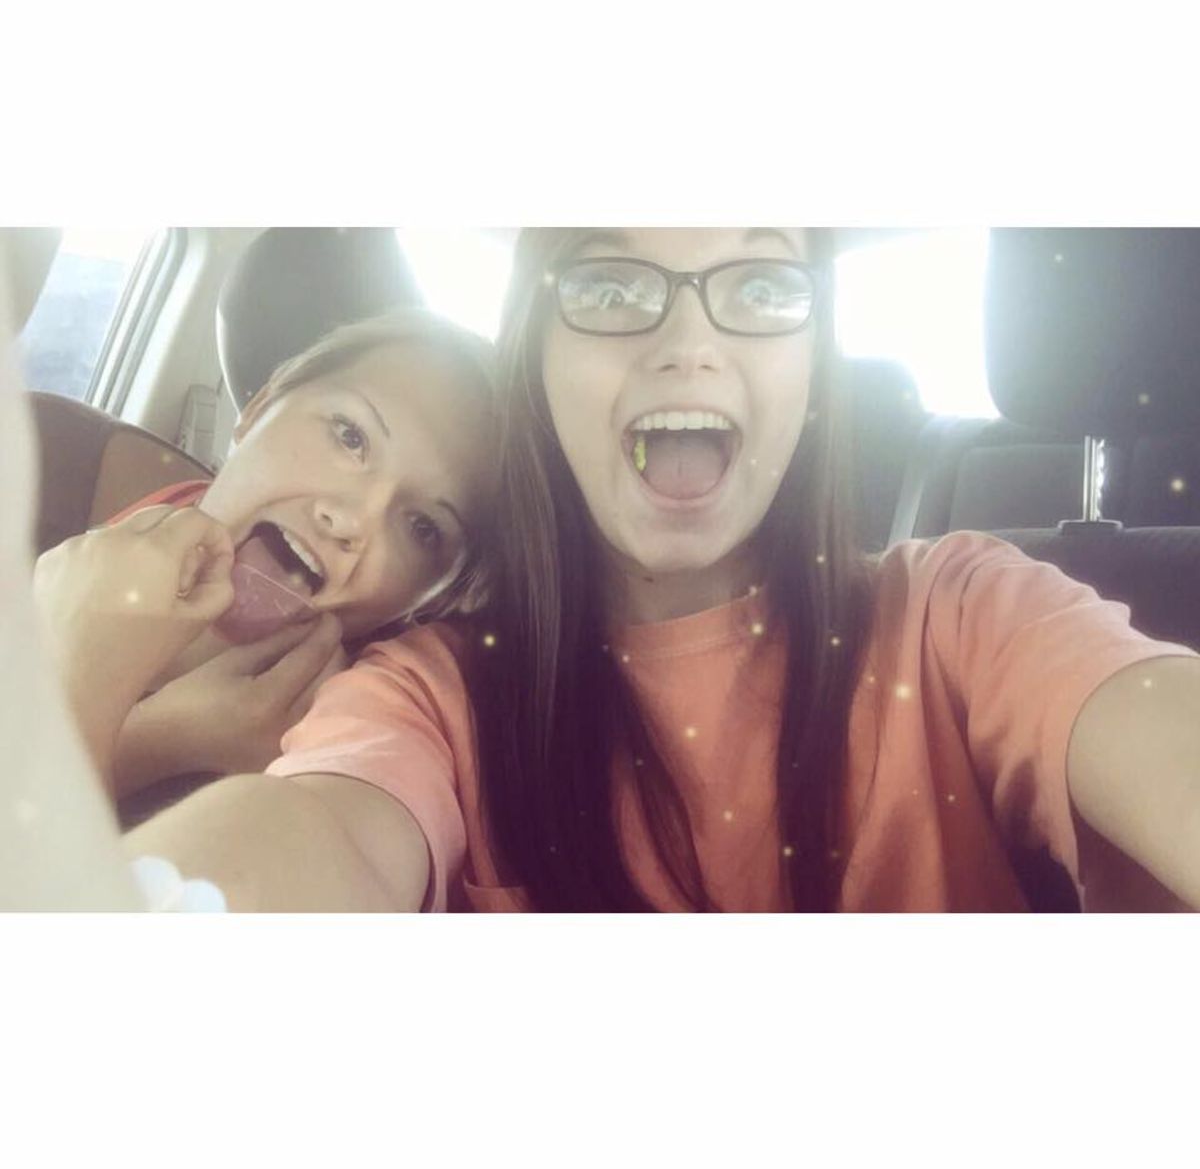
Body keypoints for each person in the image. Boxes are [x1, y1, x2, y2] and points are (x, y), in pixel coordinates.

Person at [16, 229, 1200, 913]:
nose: (688, 343)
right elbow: (311, 829)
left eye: (763, 284)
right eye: (609, 284)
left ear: (814, 364)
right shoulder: (426, 698)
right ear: (539, 363)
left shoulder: (971, 616)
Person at [37, 310, 496, 814]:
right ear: (258, 409)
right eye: (350, 435)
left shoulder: (339, 773)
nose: (351, 520)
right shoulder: (54, 466)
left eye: (422, 527)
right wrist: (153, 739)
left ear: (429, 601)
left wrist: (106, 708)